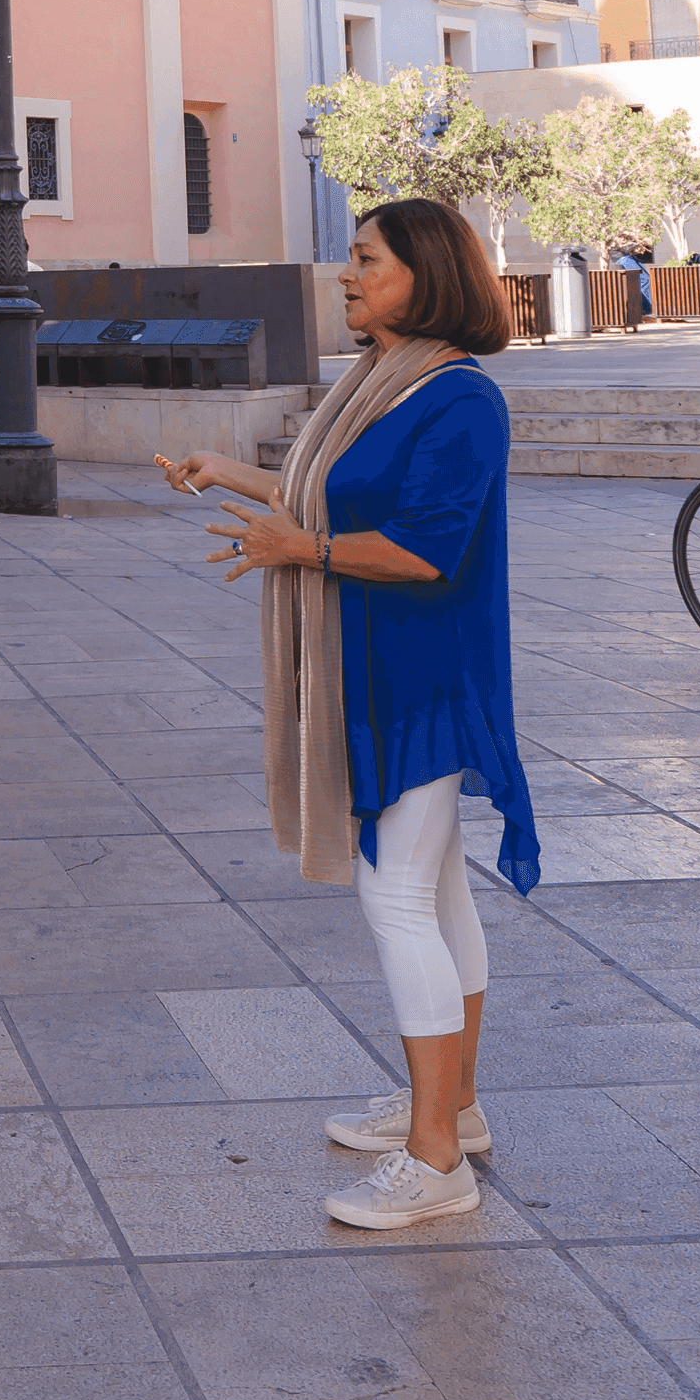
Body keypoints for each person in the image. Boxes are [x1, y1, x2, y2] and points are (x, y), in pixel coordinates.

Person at [174, 198, 538, 1233]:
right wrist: (231, 476)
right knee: (437, 898)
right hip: (379, 663)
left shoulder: (457, 398)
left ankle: (435, 1162)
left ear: (425, 275)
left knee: (396, 903)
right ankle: (450, 1108)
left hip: (421, 672)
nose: (347, 274)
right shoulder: (383, 384)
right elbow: (337, 496)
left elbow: (424, 550)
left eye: (367, 260)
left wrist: (303, 553)